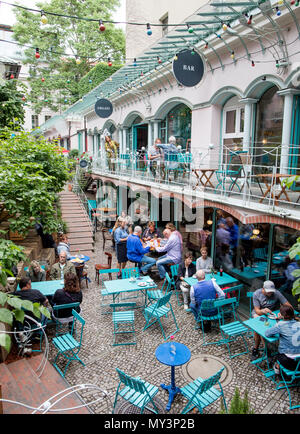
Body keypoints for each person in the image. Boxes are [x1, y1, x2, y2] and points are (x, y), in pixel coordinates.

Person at [251, 280, 293, 361]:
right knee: (259, 328)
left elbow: (289, 306)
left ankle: (256, 349)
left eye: (271, 291)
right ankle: (266, 350)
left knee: (259, 330)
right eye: (268, 291)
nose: (270, 293)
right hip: (259, 314)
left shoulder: (276, 293)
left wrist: (282, 312)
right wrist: (263, 311)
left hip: (272, 314)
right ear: (263, 288)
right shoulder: (257, 293)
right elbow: (257, 310)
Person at [265, 305, 300, 374]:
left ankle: (277, 367)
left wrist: (279, 320)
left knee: (277, 354)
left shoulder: (281, 325)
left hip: (289, 362)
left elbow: (267, 333)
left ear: (282, 315)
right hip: (299, 362)